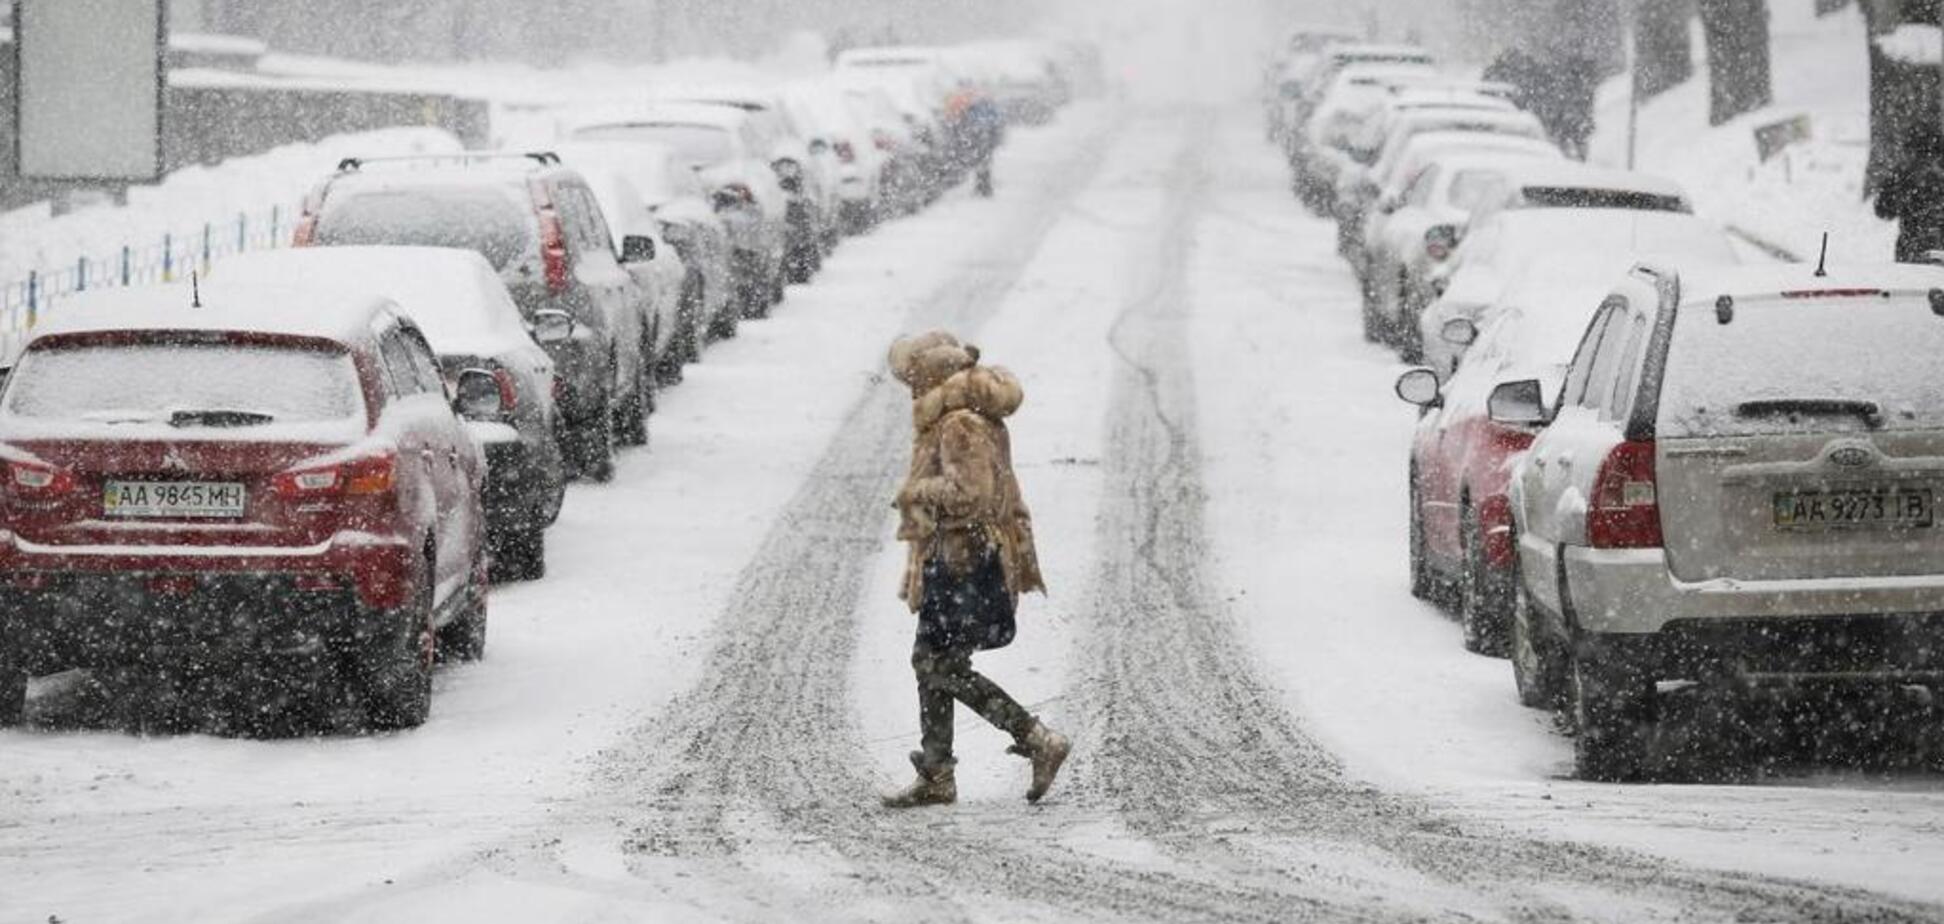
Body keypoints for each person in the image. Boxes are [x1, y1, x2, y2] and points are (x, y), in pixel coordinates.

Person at [882, 331, 1069, 808]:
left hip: (969, 561)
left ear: (931, 375)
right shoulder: (963, 415)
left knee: (937, 663)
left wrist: (918, 493)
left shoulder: (959, 422)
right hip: (961, 558)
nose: (910, 390)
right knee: (932, 660)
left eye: (912, 379)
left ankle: (1035, 737)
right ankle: (937, 773)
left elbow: (973, 495)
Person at [1875, 121, 1944, 263]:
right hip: (1910, 251)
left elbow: (1883, 210)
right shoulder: (1902, 177)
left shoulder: (1902, 176)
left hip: (1914, 249)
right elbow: (1883, 210)